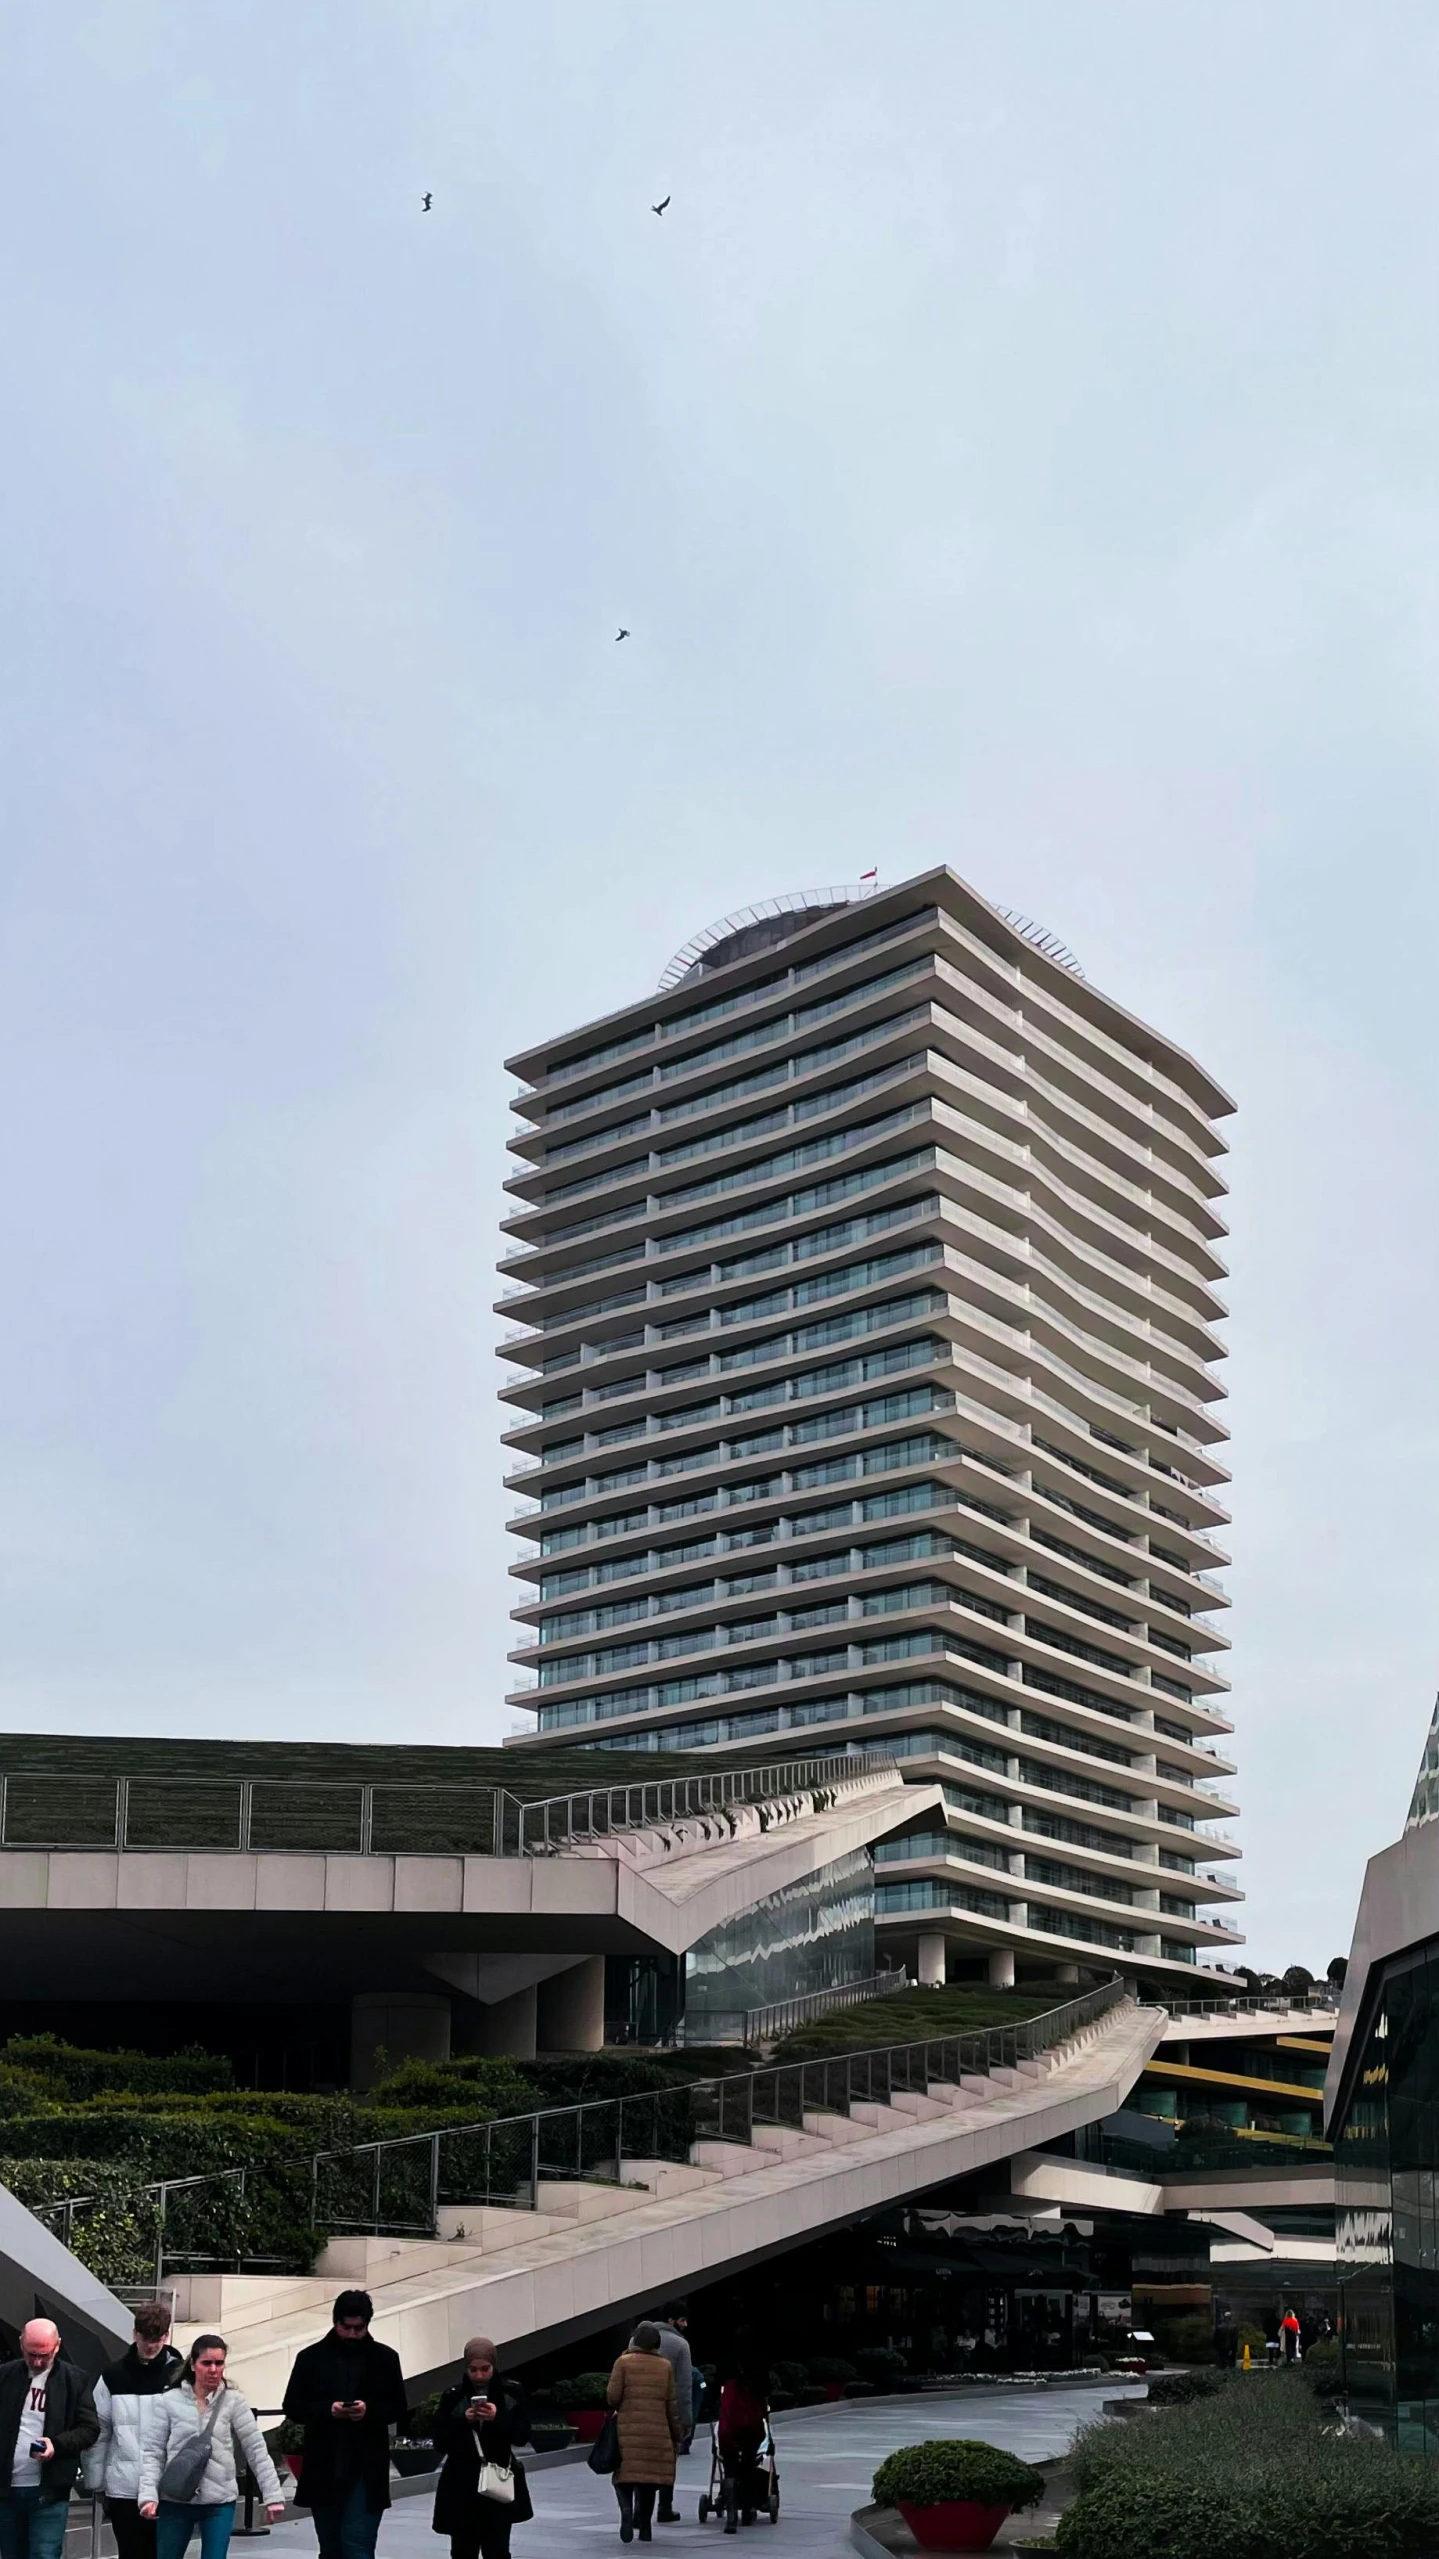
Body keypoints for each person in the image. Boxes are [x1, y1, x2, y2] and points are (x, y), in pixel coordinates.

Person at [281, 2289, 407, 2559]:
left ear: (368, 2324)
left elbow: (398, 2406)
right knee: (330, 2546)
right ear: (335, 2322)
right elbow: (292, 2406)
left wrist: (369, 2411)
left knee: (357, 2544)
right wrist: (328, 2410)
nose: (352, 2334)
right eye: (346, 2327)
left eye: (358, 2328)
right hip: (325, 2463)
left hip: (366, 2467)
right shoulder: (311, 2358)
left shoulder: (385, 2358)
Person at [137, 2333, 284, 2559]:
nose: (214, 2369)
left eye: (219, 2363)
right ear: (194, 2365)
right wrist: (148, 2496)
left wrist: (272, 2495)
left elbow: (256, 2449)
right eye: (207, 2363)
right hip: (176, 2499)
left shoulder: (234, 2401)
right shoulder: (169, 2401)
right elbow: (153, 2452)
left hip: (219, 2501)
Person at [86, 2300, 184, 2559]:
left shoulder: (179, 2376)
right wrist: (96, 2481)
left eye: (157, 2339)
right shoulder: (112, 2375)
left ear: (166, 2336)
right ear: (134, 2335)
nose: (151, 2346)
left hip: (166, 2487)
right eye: (145, 2338)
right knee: (130, 2553)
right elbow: (100, 2430)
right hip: (123, 2487)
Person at [0, 2318, 98, 2559]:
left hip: (49, 2490)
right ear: (21, 2344)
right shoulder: (6, 2376)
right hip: (7, 2490)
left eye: (44, 2355)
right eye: (31, 2353)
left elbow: (89, 2428)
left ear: (57, 2346)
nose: (37, 2361)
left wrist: (57, 2445)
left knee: (45, 2554)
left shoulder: (74, 2380)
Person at [430, 2338, 531, 2559]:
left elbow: (522, 2435)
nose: (479, 2376)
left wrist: (498, 2418)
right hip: (461, 2484)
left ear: (494, 2366)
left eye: (485, 2369)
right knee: (463, 2550)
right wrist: (462, 2420)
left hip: (497, 2481)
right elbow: (440, 2442)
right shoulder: (454, 2396)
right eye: (473, 2370)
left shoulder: (510, 2392)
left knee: (497, 2549)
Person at [606, 2323, 679, 2546]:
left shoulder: (623, 2362)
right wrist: (677, 2433)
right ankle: (645, 2528)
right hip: (657, 2431)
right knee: (649, 2481)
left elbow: (612, 2397)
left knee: (623, 2477)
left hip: (628, 2430)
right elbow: (672, 2405)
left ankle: (626, 2509)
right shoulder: (665, 2366)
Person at [716, 2345, 769, 2537]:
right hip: (752, 2426)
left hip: (729, 2425)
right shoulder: (758, 2364)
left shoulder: (726, 2361)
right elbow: (765, 2394)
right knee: (748, 2463)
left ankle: (731, 2515)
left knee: (729, 2465)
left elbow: (715, 2389)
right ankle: (747, 2509)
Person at [646, 2312, 692, 2521]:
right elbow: (684, 2388)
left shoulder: (634, 2341)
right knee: (667, 2461)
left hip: (636, 2416)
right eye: (683, 2319)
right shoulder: (680, 2345)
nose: (686, 2324)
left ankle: (638, 2510)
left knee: (638, 2463)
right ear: (672, 2320)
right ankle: (665, 2507)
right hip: (665, 2414)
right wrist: (685, 2421)